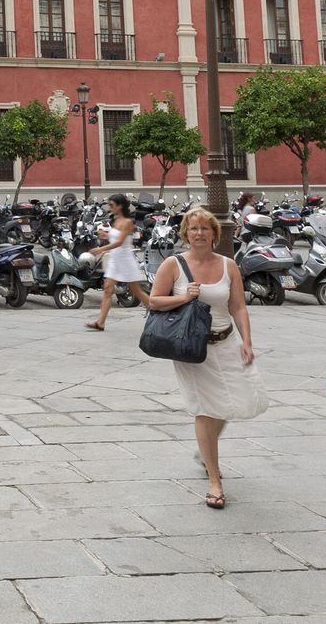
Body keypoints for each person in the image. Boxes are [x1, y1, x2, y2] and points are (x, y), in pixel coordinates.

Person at [148, 204, 267, 511]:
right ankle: (215, 480)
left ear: (215, 233)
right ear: (185, 233)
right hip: (191, 348)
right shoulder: (173, 265)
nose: (198, 233)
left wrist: (247, 341)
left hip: (226, 341)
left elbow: (238, 306)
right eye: (193, 228)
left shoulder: (228, 265)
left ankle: (204, 452)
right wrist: (184, 297)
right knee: (206, 409)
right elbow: (154, 301)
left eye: (204, 228)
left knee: (231, 404)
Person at [84, 193, 149, 330]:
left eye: (112, 205)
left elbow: (120, 242)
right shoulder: (116, 220)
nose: (110, 207)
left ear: (120, 206)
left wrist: (101, 249)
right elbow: (117, 238)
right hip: (115, 259)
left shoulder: (127, 222)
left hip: (125, 260)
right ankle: (100, 322)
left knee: (136, 290)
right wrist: (106, 235)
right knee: (108, 289)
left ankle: (157, 310)